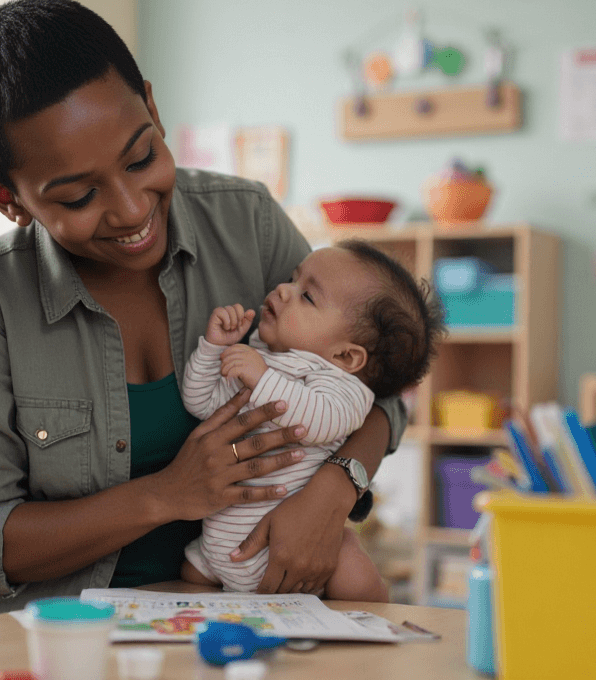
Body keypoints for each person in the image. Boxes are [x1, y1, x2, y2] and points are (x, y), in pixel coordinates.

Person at [0, 0, 408, 618]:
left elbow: (376, 387)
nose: (129, 210)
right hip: (62, 635)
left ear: (151, 107)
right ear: (5, 198)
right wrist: (166, 495)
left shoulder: (246, 222)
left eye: (141, 157)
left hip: (243, 624)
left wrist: (333, 492)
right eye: (77, 195)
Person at [179, 240, 444, 599]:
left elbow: (320, 423)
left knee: (353, 575)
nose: (283, 290)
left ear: (347, 356)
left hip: (294, 554)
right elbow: (202, 403)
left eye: (307, 297)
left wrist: (262, 378)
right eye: (292, 279)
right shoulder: (258, 354)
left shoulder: (342, 387)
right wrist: (212, 350)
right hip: (217, 552)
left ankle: (378, 633)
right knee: (186, 579)